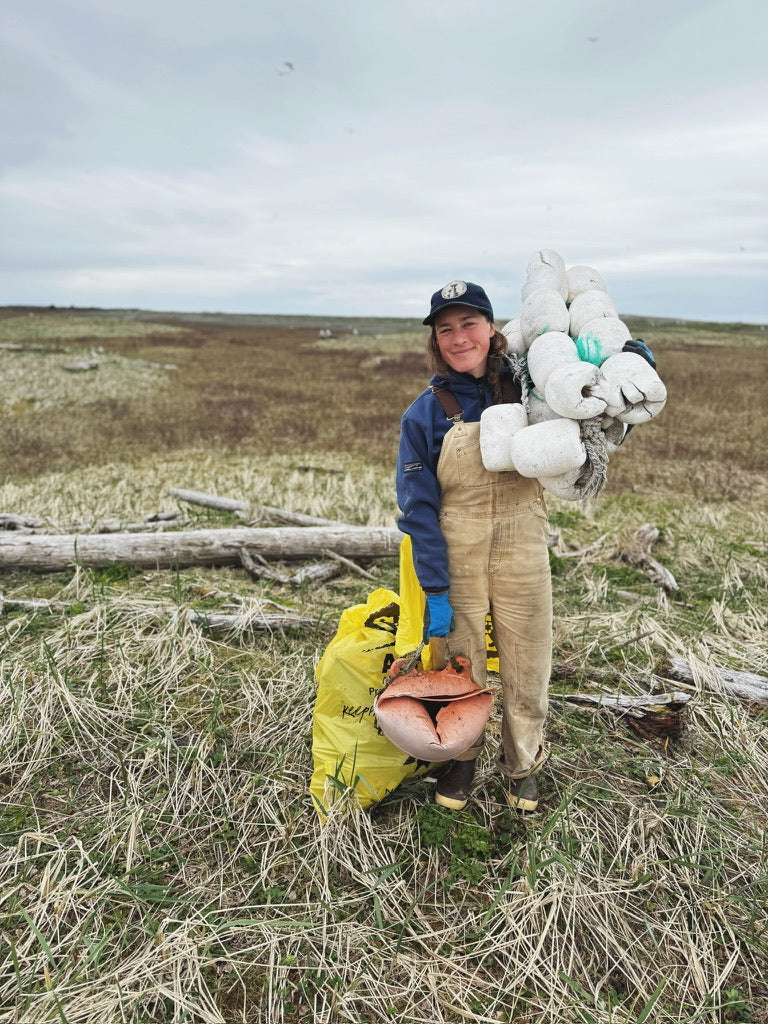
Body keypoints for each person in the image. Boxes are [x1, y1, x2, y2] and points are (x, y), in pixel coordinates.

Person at [395, 280, 552, 812]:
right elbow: (418, 509)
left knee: (528, 655)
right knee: (460, 659)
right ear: (435, 342)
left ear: (492, 329)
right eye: (446, 329)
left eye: (469, 324)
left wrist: (623, 360)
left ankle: (524, 762)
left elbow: (593, 413)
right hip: (457, 542)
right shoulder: (424, 413)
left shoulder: (531, 386)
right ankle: (462, 756)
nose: (459, 337)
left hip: (523, 535)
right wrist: (434, 588)